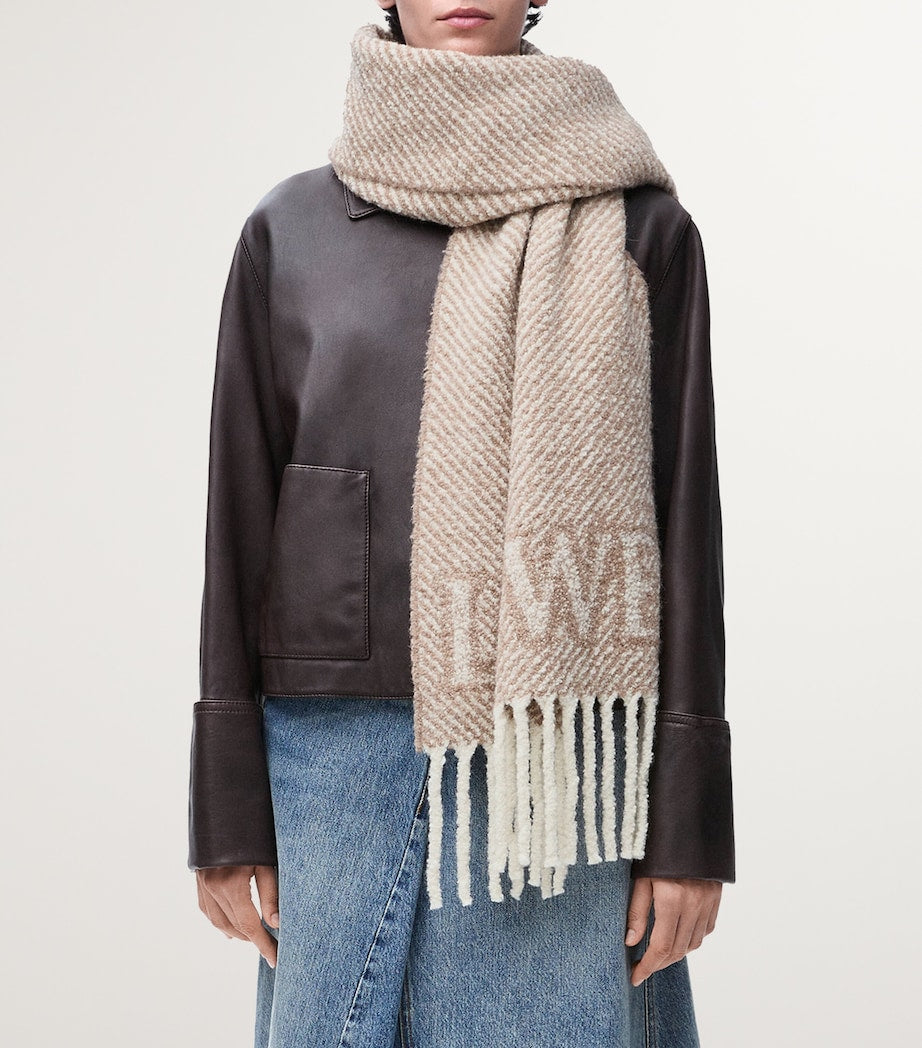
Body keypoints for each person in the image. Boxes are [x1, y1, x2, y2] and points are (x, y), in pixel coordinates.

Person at [187, 3, 735, 1045]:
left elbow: (685, 528)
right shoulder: (290, 229)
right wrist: (225, 809)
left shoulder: (640, 231)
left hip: (558, 768)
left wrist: (689, 828)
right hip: (330, 760)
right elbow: (237, 520)